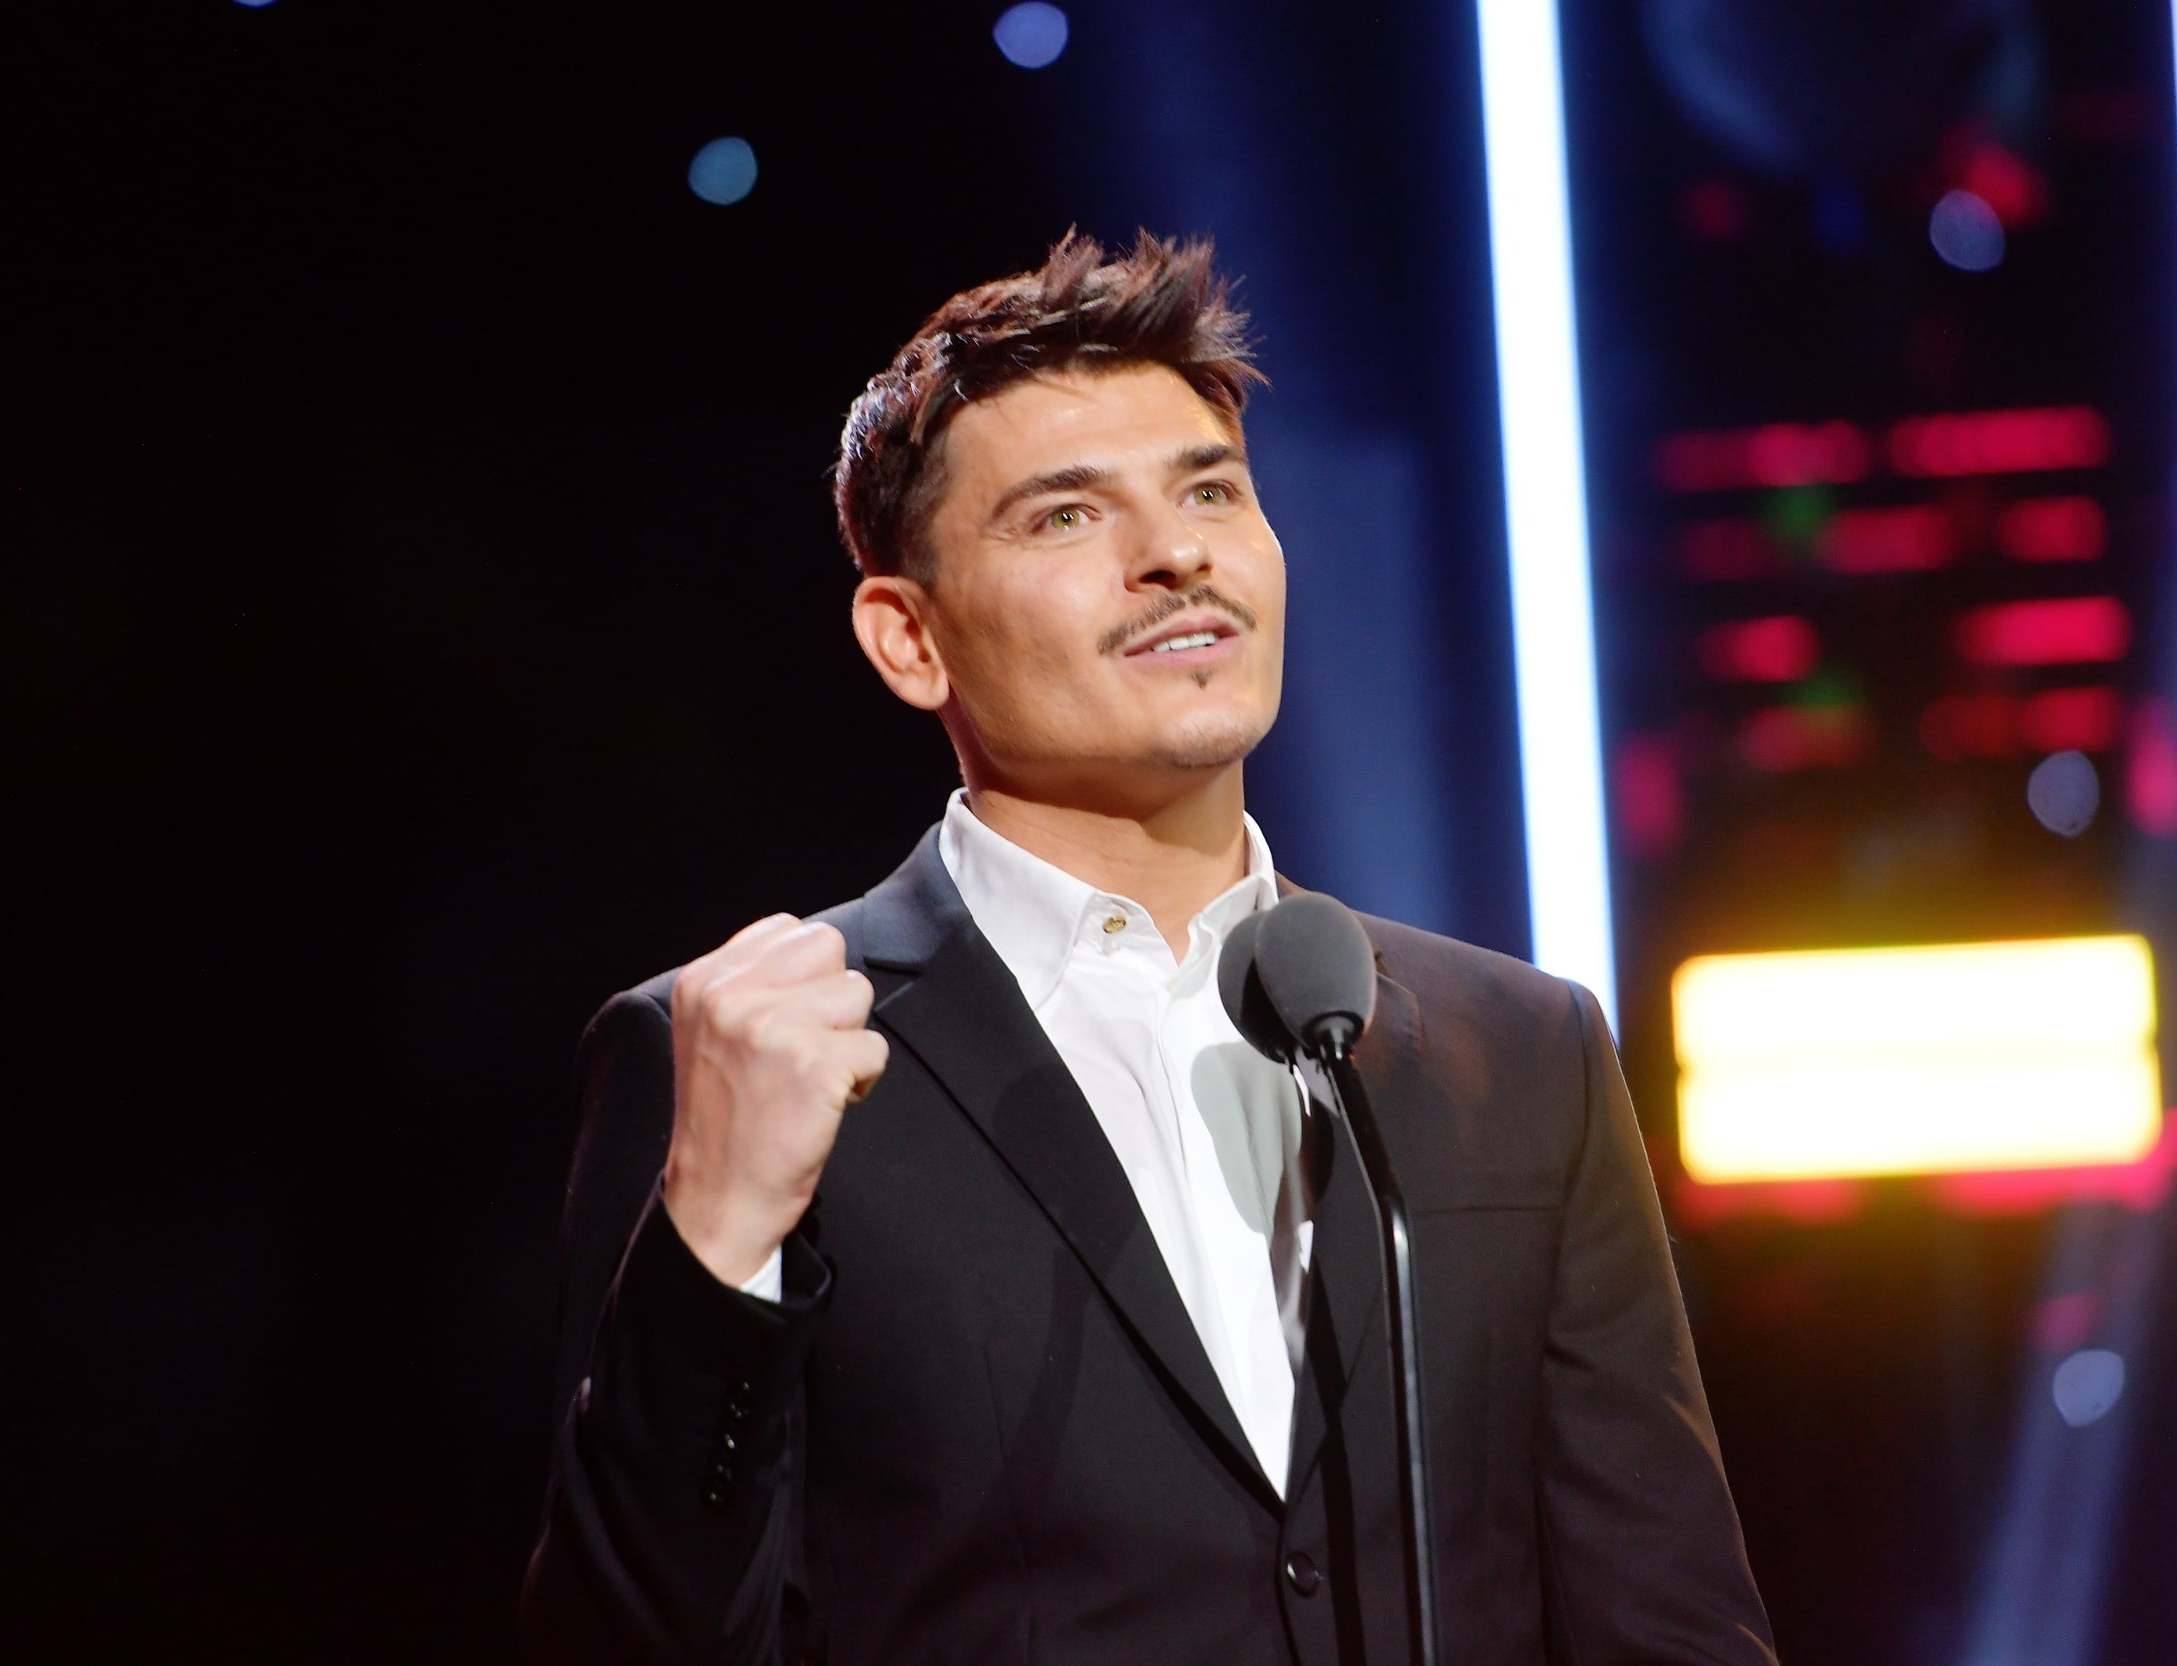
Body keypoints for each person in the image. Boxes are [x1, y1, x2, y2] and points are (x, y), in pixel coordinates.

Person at [519, 231, 1777, 1666]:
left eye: (1212, 491)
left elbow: (1666, 1615)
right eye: (1064, 516)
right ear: (907, 638)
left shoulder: (1517, 1049)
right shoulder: (744, 1049)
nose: (1175, 552)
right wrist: (713, 1251)